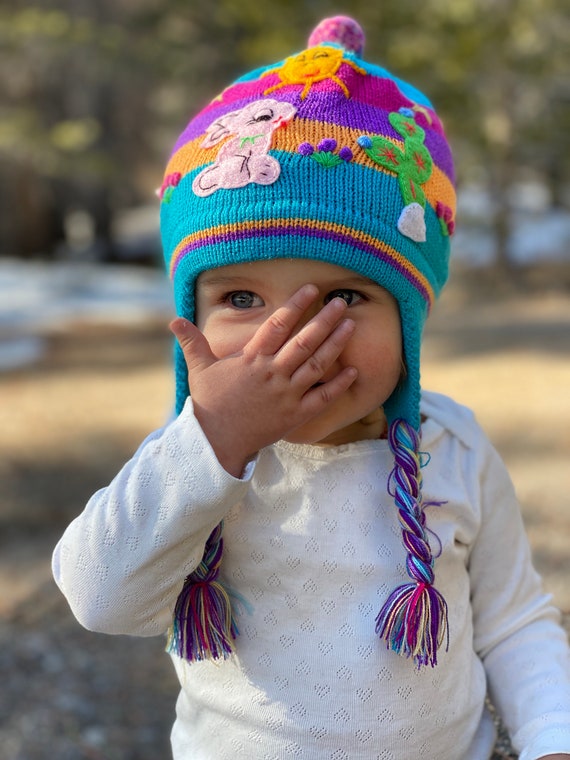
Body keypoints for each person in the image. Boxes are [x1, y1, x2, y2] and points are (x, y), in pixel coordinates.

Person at [52, 15, 570, 760]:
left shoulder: (452, 449)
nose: (291, 339)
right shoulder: (193, 461)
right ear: (189, 316)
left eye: (346, 299)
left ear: (411, 322)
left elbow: (515, 620)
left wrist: (551, 738)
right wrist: (216, 441)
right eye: (241, 301)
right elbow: (101, 599)